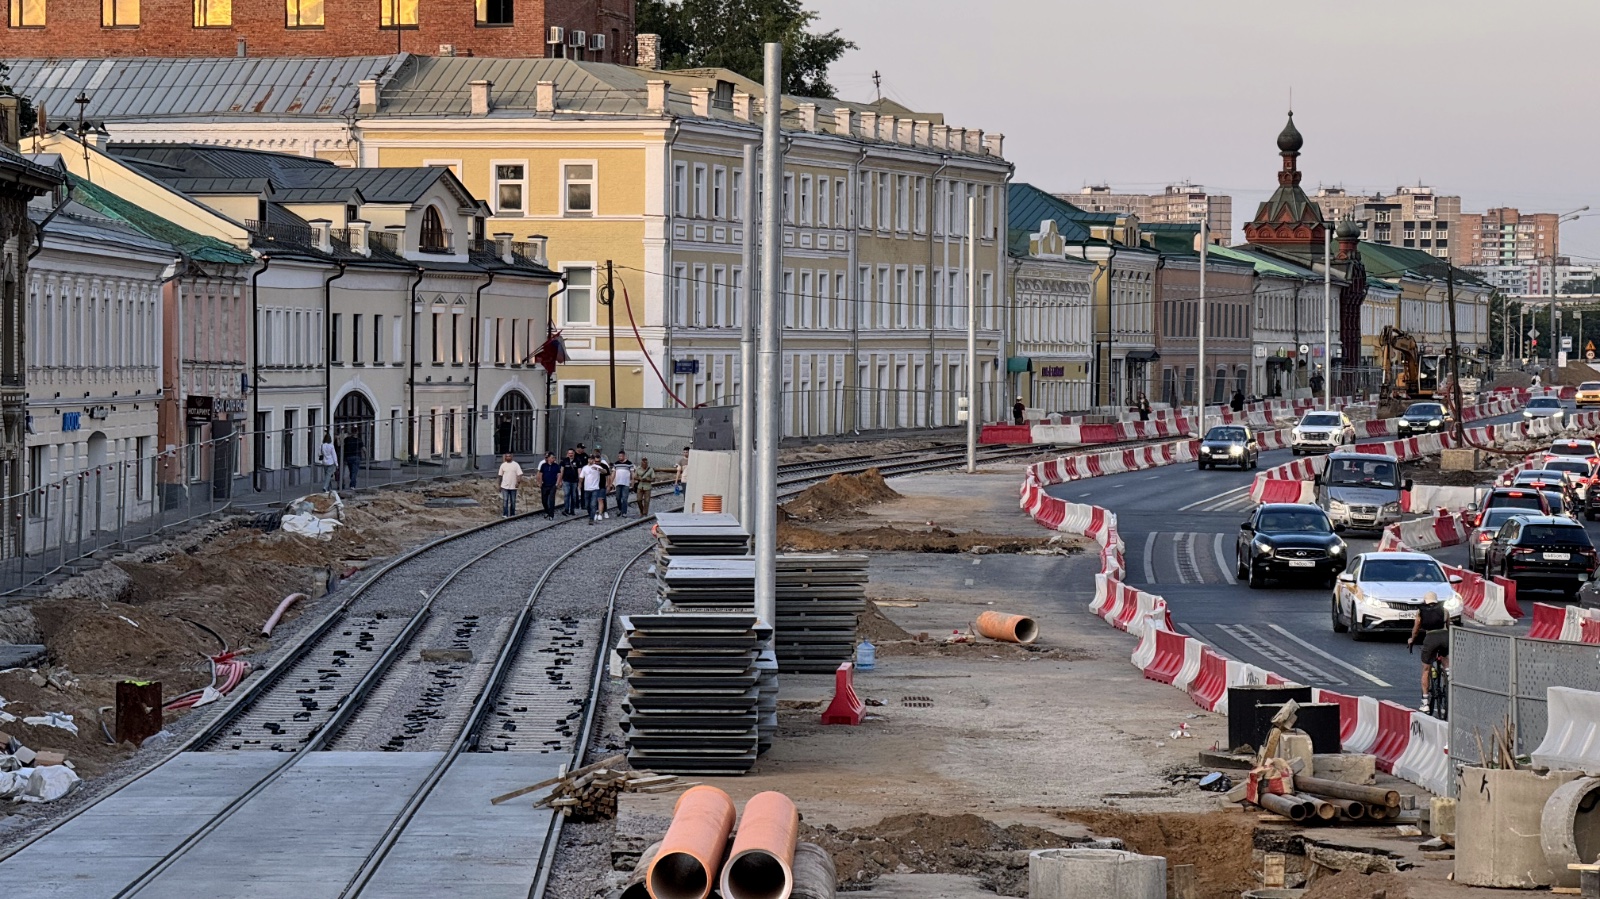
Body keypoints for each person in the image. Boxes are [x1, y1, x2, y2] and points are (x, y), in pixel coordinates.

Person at [1407, 591, 1450, 713]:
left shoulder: (1421, 611)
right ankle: (1447, 673)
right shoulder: (1445, 610)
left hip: (1430, 638)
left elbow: (1416, 629)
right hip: (1444, 637)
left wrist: (1412, 639)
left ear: (1425, 601)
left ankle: (1425, 702)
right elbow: (1449, 626)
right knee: (1445, 658)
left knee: (1426, 670)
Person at [497, 452, 524, 518]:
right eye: (507, 456)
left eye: (509, 456)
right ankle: (505, 514)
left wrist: (518, 482)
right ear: (505, 457)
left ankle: (512, 514)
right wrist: (499, 485)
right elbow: (500, 476)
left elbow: (519, 474)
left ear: (511, 457)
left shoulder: (516, 465)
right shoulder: (503, 465)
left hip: (513, 486)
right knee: (505, 500)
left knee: (513, 501)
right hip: (504, 486)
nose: (508, 457)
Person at [580, 454, 605, 524]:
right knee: (587, 504)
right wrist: (579, 485)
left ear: (594, 460)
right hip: (586, 489)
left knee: (593, 504)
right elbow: (581, 477)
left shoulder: (597, 467)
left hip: (595, 488)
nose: (590, 460)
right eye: (589, 459)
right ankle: (590, 514)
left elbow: (605, 472)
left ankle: (591, 518)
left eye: (592, 459)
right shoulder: (584, 468)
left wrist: (598, 469)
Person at [537, 452, 562, 519]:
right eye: (552, 457)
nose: (553, 459)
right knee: (544, 500)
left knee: (551, 500)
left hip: (553, 485)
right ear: (548, 458)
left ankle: (551, 515)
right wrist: (540, 482)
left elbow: (559, 475)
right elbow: (540, 474)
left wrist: (557, 483)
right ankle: (547, 511)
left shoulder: (556, 466)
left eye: (554, 458)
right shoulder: (543, 465)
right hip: (544, 485)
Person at [612, 452, 635, 518]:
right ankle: (619, 509)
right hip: (618, 483)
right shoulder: (616, 464)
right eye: (619, 456)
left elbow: (632, 473)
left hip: (626, 484)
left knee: (625, 498)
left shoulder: (629, 464)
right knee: (618, 497)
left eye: (621, 456)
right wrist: (611, 482)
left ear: (624, 456)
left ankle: (624, 512)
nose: (619, 457)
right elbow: (613, 473)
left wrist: (633, 482)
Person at [559, 449, 582, 516]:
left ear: (574, 454)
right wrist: (560, 481)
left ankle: (572, 510)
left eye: (571, 453)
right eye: (569, 453)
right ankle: (566, 509)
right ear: (567, 454)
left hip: (574, 481)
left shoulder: (577, 461)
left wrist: (580, 481)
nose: (570, 454)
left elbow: (579, 471)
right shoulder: (564, 461)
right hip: (566, 481)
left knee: (573, 496)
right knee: (567, 494)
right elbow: (562, 471)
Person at [591, 446, 612, 519]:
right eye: (596, 450)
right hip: (594, 485)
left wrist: (608, 484)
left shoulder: (604, 463)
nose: (597, 452)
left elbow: (607, 474)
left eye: (598, 451)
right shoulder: (591, 464)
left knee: (602, 499)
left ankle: (604, 511)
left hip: (602, 484)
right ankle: (596, 512)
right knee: (595, 500)